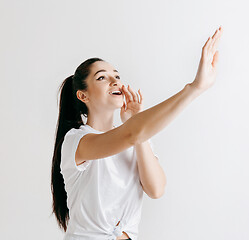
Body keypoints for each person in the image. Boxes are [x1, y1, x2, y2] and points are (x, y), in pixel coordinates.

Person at [51, 25, 223, 240]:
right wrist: (194, 88)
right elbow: (131, 135)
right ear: (83, 96)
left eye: (117, 75)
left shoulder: (136, 137)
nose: (115, 81)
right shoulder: (76, 140)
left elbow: (156, 189)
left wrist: (135, 124)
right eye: (102, 77)